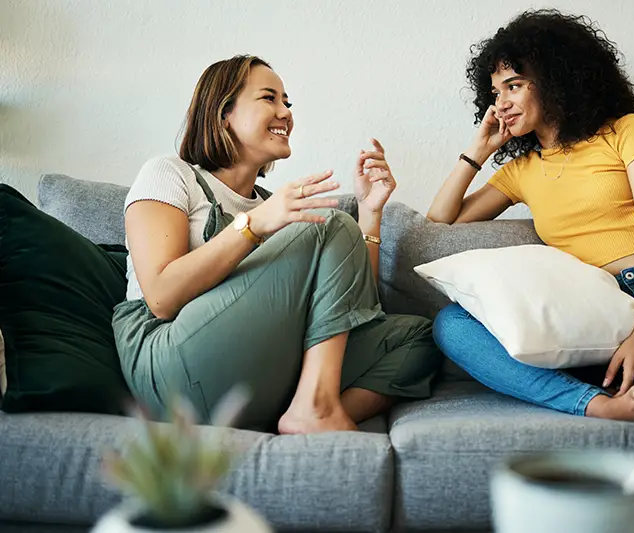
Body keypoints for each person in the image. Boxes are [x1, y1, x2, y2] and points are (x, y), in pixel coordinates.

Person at [427, 10, 634, 426]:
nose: (501, 103)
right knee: (452, 325)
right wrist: (478, 151)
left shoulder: (625, 132)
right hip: (592, 312)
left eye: (513, 85)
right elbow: (440, 222)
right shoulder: (521, 171)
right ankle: (597, 404)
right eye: (495, 92)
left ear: (555, 79)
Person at [112, 55, 440, 434]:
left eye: (287, 102)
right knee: (328, 223)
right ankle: (315, 407)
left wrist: (369, 213)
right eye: (269, 98)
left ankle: (306, 411)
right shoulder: (170, 174)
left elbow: (352, 307)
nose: (285, 112)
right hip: (170, 365)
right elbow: (160, 297)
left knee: (421, 337)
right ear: (224, 114)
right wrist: (255, 224)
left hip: (258, 369)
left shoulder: (274, 204)